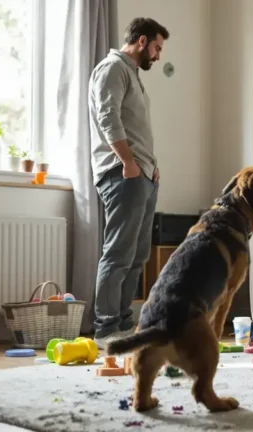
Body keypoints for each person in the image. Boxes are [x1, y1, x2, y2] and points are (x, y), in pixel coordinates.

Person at [88, 17, 169, 348]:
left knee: (138, 254)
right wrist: (128, 163)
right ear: (142, 41)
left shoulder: (132, 75)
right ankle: (106, 328)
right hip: (122, 174)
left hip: (142, 174)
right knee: (119, 252)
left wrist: (152, 165)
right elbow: (109, 119)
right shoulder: (113, 69)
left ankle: (122, 324)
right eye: (157, 48)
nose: (158, 55)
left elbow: (135, 126)